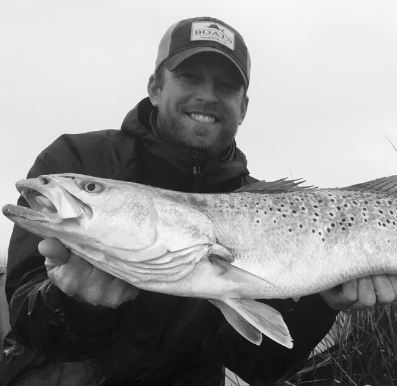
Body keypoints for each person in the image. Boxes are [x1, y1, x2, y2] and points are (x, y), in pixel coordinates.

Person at [1, 16, 396, 385]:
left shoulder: (261, 199)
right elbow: (24, 318)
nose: (206, 96)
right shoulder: (78, 158)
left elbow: (255, 365)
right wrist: (74, 306)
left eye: (225, 86)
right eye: (189, 76)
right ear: (155, 87)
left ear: (243, 107)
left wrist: (324, 305)